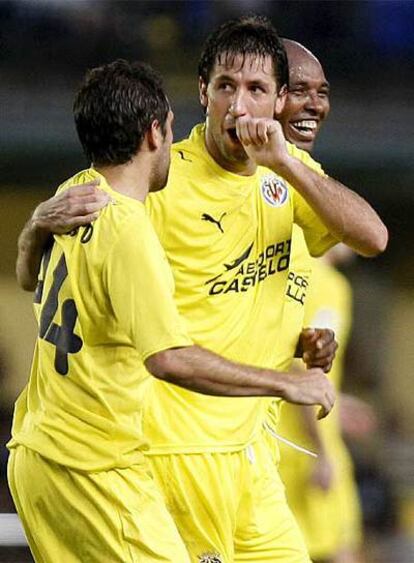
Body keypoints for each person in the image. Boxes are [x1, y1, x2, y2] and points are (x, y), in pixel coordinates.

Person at [15, 16, 388, 563]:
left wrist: (291, 337)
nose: (239, 106)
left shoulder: (288, 174)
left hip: (252, 452)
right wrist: (36, 226)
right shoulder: (156, 180)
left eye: (257, 90)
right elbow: (71, 251)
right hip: (175, 452)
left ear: (277, 100)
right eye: (225, 88)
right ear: (202, 93)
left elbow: (373, 237)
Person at [269, 39, 370, 563]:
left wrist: (344, 405)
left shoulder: (287, 263)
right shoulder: (326, 284)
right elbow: (306, 363)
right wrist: (321, 451)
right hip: (308, 447)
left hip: (286, 439)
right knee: (339, 553)